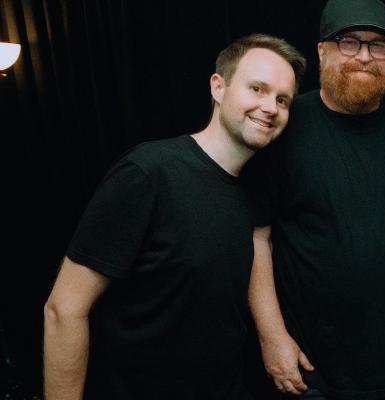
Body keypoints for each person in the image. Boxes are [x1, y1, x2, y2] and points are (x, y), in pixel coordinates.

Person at [42, 34, 305, 400]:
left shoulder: (255, 188)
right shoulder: (149, 173)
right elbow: (64, 309)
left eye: (282, 100)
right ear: (218, 87)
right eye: (257, 89)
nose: (270, 107)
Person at [241, 0, 385, 399]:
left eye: (378, 45)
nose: (364, 56)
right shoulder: (287, 125)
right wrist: (272, 337)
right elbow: (258, 237)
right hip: (312, 369)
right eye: (349, 41)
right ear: (322, 51)